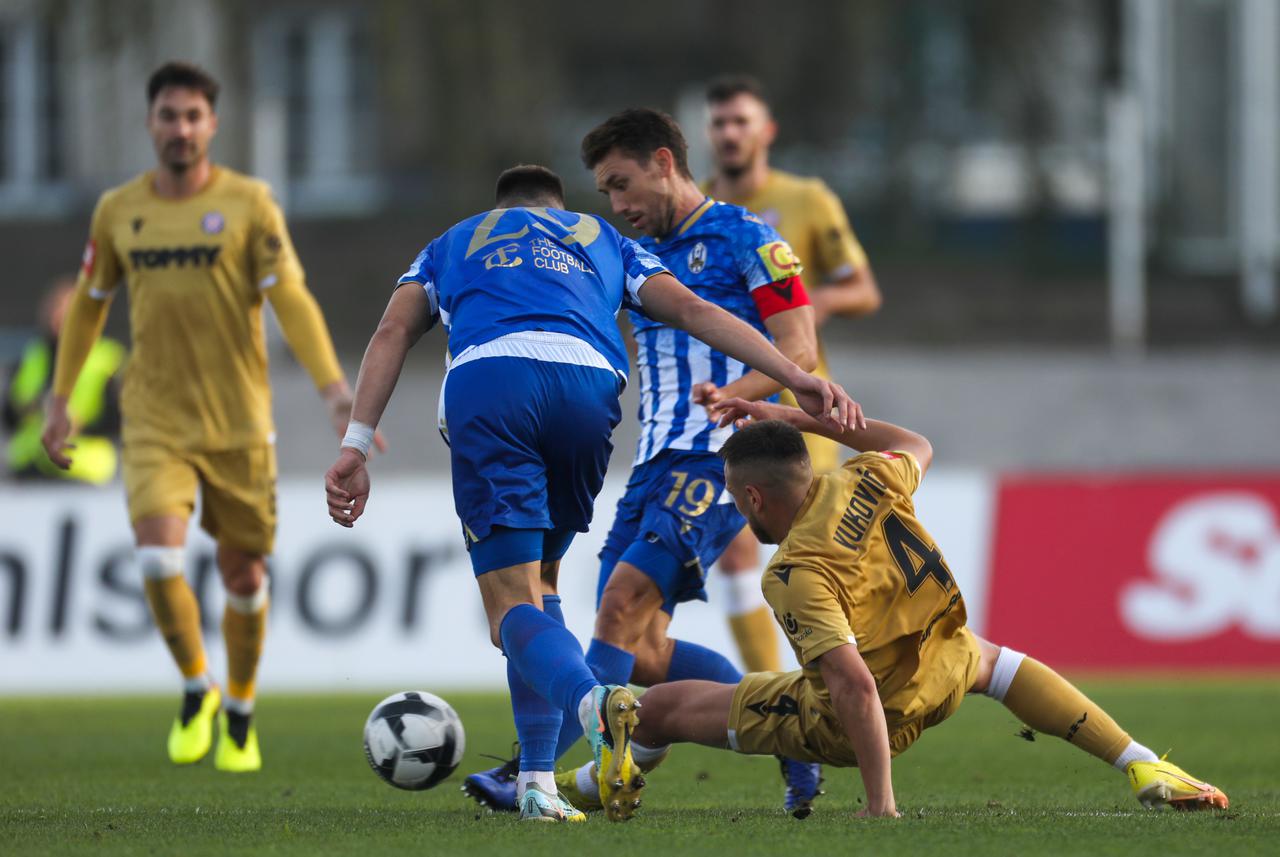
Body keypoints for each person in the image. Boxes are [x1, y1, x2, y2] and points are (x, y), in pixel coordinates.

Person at [323, 164, 860, 824]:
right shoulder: (602, 236)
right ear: (556, 202)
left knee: (510, 608)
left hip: (496, 382)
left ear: (504, 205)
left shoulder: (454, 241)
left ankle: (595, 705)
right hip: (589, 390)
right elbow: (694, 308)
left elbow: (392, 331)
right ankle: (538, 780)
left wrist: (355, 442)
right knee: (551, 590)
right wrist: (788, 375)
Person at [565, 399, 1230, 816]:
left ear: (756, 499)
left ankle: (597, 778)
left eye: (740, 500)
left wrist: (880, 804)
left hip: (865, 715)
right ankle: (1143, 761)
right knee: (1001, 663)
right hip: (949, 657)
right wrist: (808, 417)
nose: (741, 511)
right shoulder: (868, 476)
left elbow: (851, 683)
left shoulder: (794, 571)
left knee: (661, 707)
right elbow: (918, 442)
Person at [462, 108, 836, 818]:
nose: (618, 205)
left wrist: (737, 393)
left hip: (720, 456)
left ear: (664, 162)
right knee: (644, 652)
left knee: (617, 605)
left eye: (623, 185)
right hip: (652, 461)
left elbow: (800, 347)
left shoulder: (747, 237)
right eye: (605, 193)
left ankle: (538, 769)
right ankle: (790, 732)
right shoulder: (629, 255)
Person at [42, 61, 371, 774]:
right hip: (154, 414)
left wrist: (333, 388)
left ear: (212, 125)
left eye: (193, 116)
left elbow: (292, 298)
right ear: (151, 123)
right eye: (169, 115)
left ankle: (242, 708)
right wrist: (62, 396)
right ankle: (199, 686)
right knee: (157, 554)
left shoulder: (250, 203)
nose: (181, 128)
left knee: (243, 573)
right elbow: (90, 303)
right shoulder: (118, 209)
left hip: (238, 421)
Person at [702, 75, 883, 676]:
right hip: (726, 406)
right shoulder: (695, 211)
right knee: (733, 552)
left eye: (741, 121)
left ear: (766, 132)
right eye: (720, 123)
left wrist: (808, 309)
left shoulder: (807, 200)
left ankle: (842, 683)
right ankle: (774, 697)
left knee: (813, 560)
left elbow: (862, 288)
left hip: (803, 408)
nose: (730, 133)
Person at [4, 277, 123, 484]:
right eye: (53, 309)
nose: (57, 316)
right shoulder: (32, 356)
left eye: (65, 310)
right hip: (30, 470)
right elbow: (8, 414)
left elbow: (120, 420)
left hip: (84, 472)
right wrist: (31, 409)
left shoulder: (107, 359)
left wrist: (79, 424)